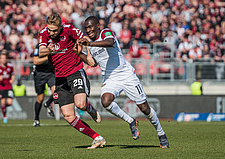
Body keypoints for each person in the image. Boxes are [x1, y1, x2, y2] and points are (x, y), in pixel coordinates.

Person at [74, 16, 169, 148]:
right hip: (110, 78)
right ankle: (131, 121)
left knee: (144, 108)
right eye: (86, 28)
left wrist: (88, 44)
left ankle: (161, 133)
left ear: (98, 26)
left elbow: (110, 42)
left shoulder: (106, 32)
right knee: (105, 101)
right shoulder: (91, 45)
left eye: (90, 27)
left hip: (126, 75)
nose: (88, 30)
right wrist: (79, 53)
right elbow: (93, 63)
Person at [39, 14, 106, 149]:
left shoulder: (69, 29)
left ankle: (89, 108)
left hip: (75, 72)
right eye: (49, 30)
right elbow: (40, 52)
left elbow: (86, 38)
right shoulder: (44, 33)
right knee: (68, 116)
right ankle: (97, 138)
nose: (51, 33)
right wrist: (48, 50)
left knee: (80, 105)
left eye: (54, 30)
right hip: (60, 78)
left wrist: (87, 55)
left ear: (60, 27)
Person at [32, 43, 56, 127]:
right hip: (40, 73)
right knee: (40, 97)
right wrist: (47, 56)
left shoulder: (55, 44)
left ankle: (48, 103)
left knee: (56, 91)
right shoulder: (39, 46)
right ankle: (36, 119)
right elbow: (35, 61)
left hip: (50, 72)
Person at [0, 50, 15, 123]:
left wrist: (12, 79)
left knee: (10, 102)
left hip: (9, 87)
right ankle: (5, 117)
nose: (4, 60)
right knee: (3, 102)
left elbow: (13, 74)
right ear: (0, 59)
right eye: (2, 58)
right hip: (1, 87)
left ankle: (3, 108)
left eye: (5, 58)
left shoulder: (10, 66)